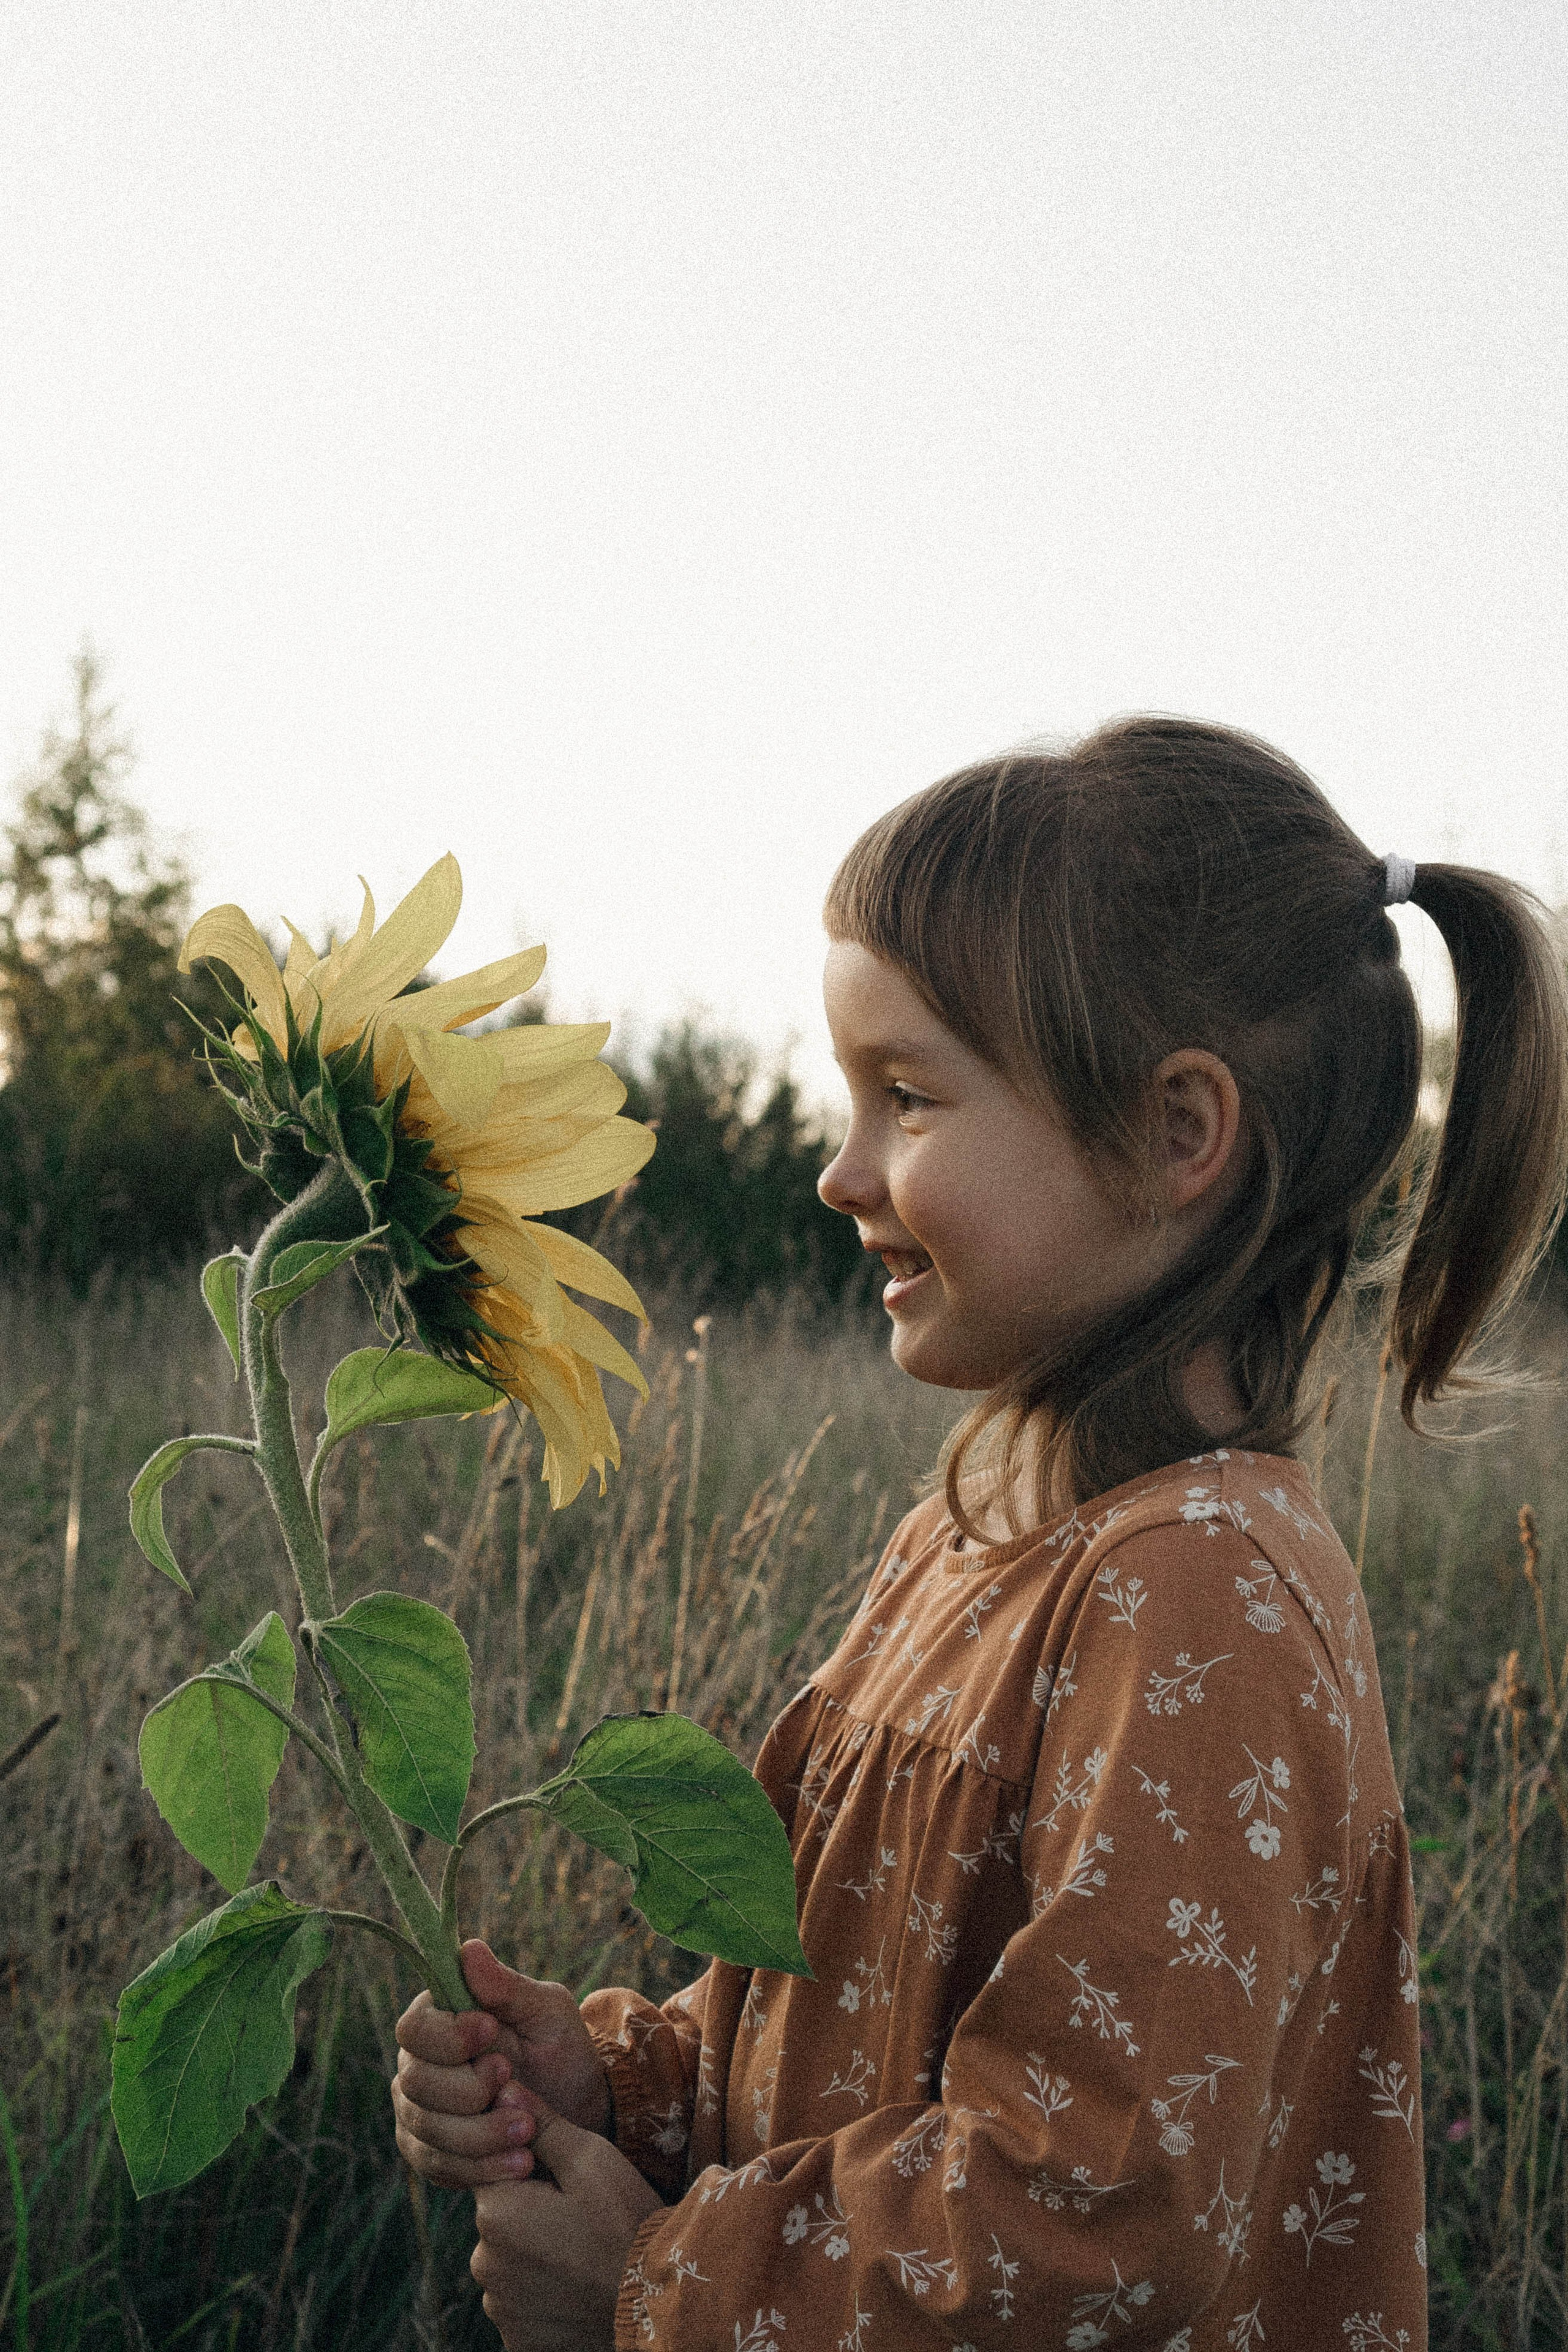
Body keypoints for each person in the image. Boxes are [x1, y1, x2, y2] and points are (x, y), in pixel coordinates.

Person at [390, 717, 1568, 2350]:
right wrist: (623, 2082)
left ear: (1175, 1137)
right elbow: (847, 2034)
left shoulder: (1200, 1596)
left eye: (907, 1096)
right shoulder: (971, 1536)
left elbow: (1099, 2204)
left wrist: (663, 2290)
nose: (838, 1170)